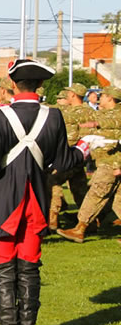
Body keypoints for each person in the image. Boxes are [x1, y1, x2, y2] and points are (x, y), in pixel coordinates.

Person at [0, 59, 86, 325]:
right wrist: (83, 151)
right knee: (30, 266)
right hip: (36, 201)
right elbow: (63, 162)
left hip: (3, 201)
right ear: (41, 85)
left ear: (12, 85)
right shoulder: (54, 116)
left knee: (4, 266)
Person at [57, 86, 121, 243]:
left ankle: (80, 228)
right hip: (105, 162)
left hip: (111, 163)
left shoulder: (117, 114)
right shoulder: (101, 113)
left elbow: (112, 122)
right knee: (117, 200)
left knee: (95, 194)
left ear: (111, 98)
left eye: (103, 96)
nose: (100, 98)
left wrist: (96, 123)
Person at [47, 83, 93, 230]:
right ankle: (90, 222)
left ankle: (52, 218)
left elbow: (87, 137)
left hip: (72, 156)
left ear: (73, 95)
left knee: (52, 181)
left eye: (68, 93)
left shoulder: (86, 112)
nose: (66, 95)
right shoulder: (69, 110)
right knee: (79, 190)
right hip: (69, 155)